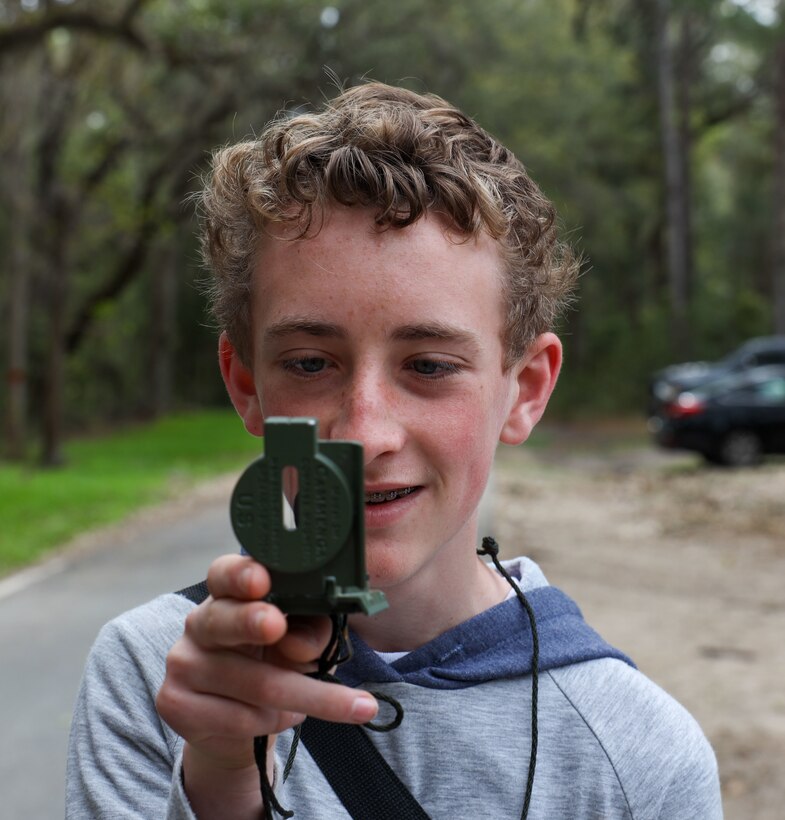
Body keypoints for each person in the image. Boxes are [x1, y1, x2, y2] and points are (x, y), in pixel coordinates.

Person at [66, 82, 722, 819]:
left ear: (525, 389)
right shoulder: (153, 675)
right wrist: (221, 778)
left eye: (429, 366)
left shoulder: (636, 754)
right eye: (310, 363)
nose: (364, 432)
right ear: (246, 384)